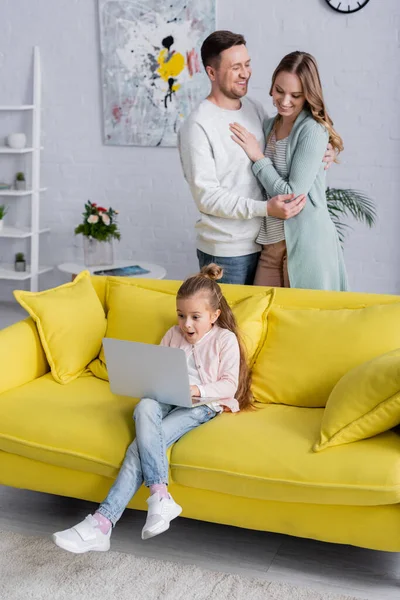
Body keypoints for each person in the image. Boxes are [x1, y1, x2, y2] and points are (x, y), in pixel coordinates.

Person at [52, 264, 251, 554]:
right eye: (181, 316)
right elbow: (159, 371)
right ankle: (159, 498)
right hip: (167, 397)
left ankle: (104, 522)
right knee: (145, 405)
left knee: (138, 447)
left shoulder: (224, 339)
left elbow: (228, 386)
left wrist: (196, 390)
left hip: (204, 405)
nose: (187, 325)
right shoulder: (173, 334)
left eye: (196, 317)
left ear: (214, 315)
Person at [178, 31, 335, 285]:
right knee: (229, 325)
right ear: (212, 73)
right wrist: (264, 208)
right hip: (227, 251)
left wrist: (325, 150)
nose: (245, 73)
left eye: (247, 64)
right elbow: (207, 197)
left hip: (262, 242)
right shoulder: (198, 124)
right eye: (235, 67)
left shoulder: (254, 110)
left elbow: (285, 148)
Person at [229, 51, 348, 291]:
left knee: (306, 321)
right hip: (270, 243)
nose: (284, 101)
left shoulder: (311, 130)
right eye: (279, 90)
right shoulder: (268, 125)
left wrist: (258, 157)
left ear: (308, 95)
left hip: (307, 243)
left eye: (296, 95)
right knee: (260, 316)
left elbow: (292, 195)